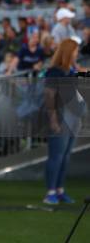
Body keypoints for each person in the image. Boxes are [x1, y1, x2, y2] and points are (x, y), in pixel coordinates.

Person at [43, 38, 87, 204]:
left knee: (66, 156)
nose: (77, 53)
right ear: (69, 51)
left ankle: (60, 190)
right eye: (75, 50)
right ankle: (51, 192)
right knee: (56, 156)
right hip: (61, 116)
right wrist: (53, 119)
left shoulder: (70, 71)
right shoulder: (55, 71)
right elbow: (49, 96)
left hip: (74, 116)